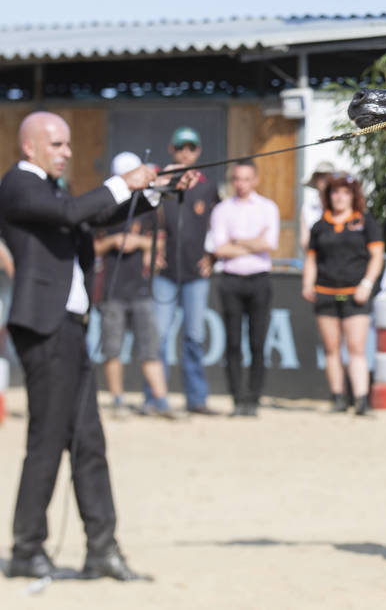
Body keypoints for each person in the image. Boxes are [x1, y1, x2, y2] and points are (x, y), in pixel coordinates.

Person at [0, 111, 195, 581]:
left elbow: (95, 216)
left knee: (89, 442)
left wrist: (156, 189)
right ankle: (27, 549)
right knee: (47, 442)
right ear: (31, 147)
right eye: (59, 144)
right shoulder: (19, 185)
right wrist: (123, 181)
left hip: (68, 328)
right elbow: (73, 213)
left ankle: (101, 550)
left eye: (68, 144)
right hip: (43, 329)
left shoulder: (50, 189)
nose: (67, 152)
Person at [94, 152, 175, 420]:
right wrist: (114, 242)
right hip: (112, 287)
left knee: (150, 347)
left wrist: (138, 243)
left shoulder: (147, 207)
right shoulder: (103, 206)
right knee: (113, 348)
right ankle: (118, 400)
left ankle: (161, 400)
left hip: (140, 288)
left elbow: (160, 242)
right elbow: (93, 246)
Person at [302, 173, 384, 415]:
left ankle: (361, 400)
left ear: (353, 196)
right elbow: (311, 260)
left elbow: (377, 258)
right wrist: (308, 284)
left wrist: (366, 284)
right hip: (326, 292)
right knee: (331, 349)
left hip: (355, 293)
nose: (339, 197)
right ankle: (337, 398)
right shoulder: (320, 225)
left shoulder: (366, 222)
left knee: (356, 348)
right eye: (335, 192)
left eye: (345, 193)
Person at [151, 127, 220, 416]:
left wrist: (212, 257)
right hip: (165, 272)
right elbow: (149, 215)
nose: (185, 153)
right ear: (172, 151)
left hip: (195, 272)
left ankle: (196, 399)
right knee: (158, 337)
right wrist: (150, 250)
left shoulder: (207, 186)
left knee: (193, 337)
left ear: (198, 152)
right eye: (181, 148)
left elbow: (219, 225)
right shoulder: (161, 183)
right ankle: (155, 398)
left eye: (190, 148)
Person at [207, 159, 279, 417]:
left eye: (246, 179)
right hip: (231, 280)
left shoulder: (268, 207)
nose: (241, 184)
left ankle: (254, 399)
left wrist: (237, 241)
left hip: (259, 278)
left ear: (255, 180)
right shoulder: (222, 210)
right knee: (233, 343)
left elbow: (269, 243)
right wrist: (252, 242)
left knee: (258, 342)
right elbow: (220, 248)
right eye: (237, 179)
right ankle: (238, 398)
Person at [300, 161, 336, 251]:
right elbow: (304, 241)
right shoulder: (307, 208)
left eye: (328, 176)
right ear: (315, 180)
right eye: (321, 176)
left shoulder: (341, 205)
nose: (325, 180)